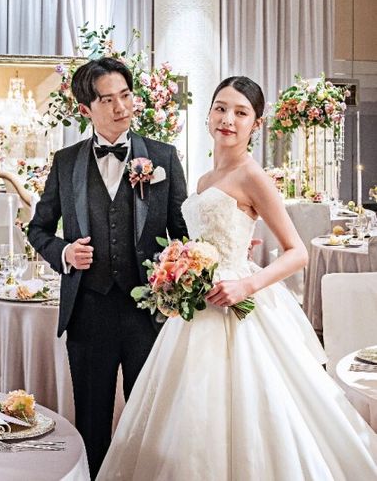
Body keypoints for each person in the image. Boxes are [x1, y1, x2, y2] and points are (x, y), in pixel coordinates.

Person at [97, 76, 377, 480]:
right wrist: (178, 266)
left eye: (241, 113)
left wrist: (246, 284)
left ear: (256, 124)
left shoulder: (252, 175)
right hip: (198, 306)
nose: (228, 119)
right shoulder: (204, 180)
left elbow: (297, 252)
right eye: (221, 108)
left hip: (237, 305)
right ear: (209, 114)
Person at [28, 57, 188, 478]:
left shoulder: (164, 157)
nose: (121, 107)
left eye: (126, 95)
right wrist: (65, 252)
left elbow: (183, 234)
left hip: (148, 314)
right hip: (88, 312)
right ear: (86, 108)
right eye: (108, 100)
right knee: (91, 421)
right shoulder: (66, 162)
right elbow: (38, 229)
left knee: (149, 420)